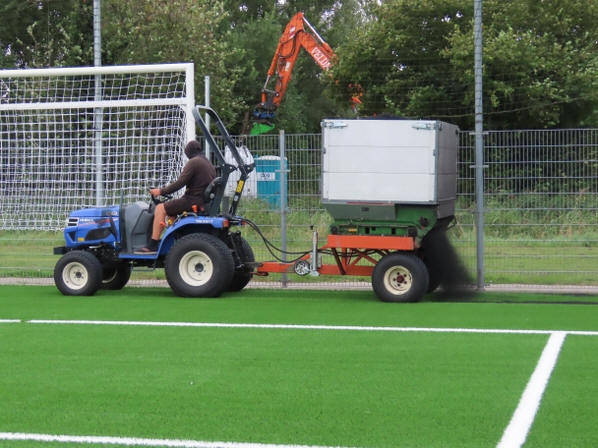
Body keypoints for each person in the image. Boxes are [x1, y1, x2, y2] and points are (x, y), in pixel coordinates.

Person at [136, 140, 216, 253]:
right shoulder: (208, 163)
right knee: (171, 210)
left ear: (188, 151)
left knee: (160, 208)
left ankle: (152, 245)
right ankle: (174, 242)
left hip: (193, 200)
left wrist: (161, 191)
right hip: (201, 200)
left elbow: (180, 182)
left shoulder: (194, 162)